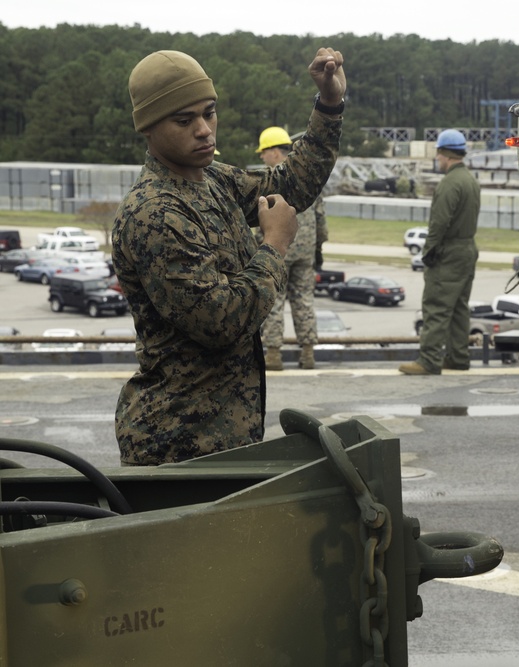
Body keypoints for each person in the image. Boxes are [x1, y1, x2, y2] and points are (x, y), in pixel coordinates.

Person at [112, 48, 346, 465]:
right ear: (148, 127)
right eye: (184, 120)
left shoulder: (211, 179)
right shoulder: (156, 213)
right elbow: (221, 320)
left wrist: (328, 105)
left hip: (222, 434)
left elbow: (291, 184)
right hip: (180, 442)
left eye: (210, 113)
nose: (204, 130)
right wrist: (274, 246)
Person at [399, 129, 480, 375]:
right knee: (458, 308)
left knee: (436, 306)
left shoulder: (449, 184)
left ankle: (429, 360)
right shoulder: (470, 180)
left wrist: (429, 251)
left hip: (449, 253)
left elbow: (439, 223)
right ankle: (458, 357)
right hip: (467, 249)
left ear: (444, 154)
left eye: (438, 154)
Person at [255, 126, 329, 371]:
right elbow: (321, 220)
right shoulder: (309, 177)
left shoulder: (271, 180)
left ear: (275, 152)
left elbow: (262, 219)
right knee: (304, 301)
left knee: (274, 301)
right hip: (306, 252)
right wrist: (318, 249)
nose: (262, 157)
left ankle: (274, 355)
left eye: (264, 152)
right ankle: (308, 354)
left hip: (279, 250)